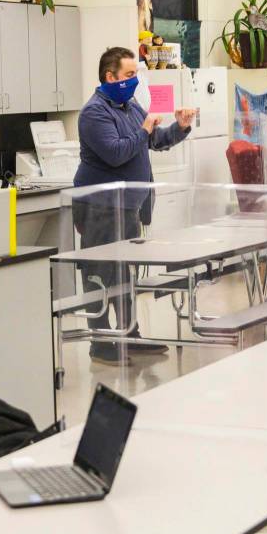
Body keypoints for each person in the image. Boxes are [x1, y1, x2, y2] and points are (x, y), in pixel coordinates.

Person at [74, 47, 196, 366]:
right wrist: (144, 130)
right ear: (109, 77)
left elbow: (155, 140)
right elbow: (116, 153)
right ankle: (100, 342)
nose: (133, 81)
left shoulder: (130, 106)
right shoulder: (94, 113)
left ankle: (129, 334)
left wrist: (180, 127)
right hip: (99, 206)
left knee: (124, 273)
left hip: (128, 207)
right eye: (128, 75)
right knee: (100, 275)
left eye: (135, 75)